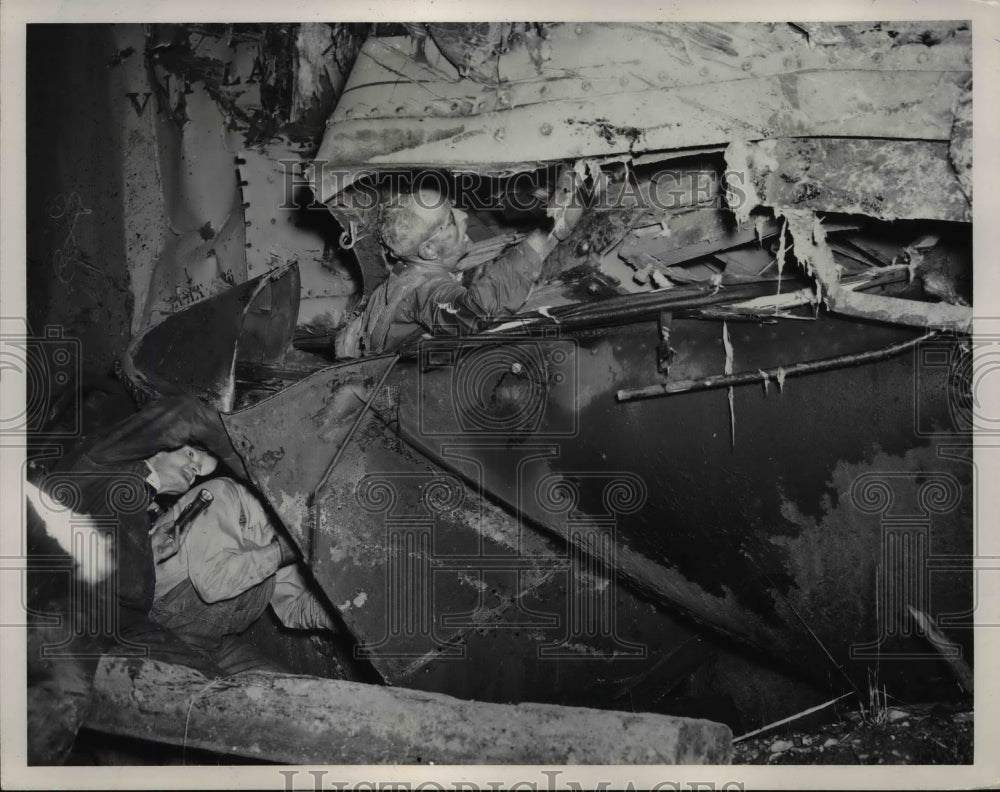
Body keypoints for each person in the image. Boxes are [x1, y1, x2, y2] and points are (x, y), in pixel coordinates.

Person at [26, 395, 248, 764]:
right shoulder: (101, 461)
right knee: (53, 714)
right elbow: (185, 414)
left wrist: (146, 552)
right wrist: (252, 462)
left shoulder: (135, 503)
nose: (196, 468)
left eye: (203, 467)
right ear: (155, 444)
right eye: (191, 454)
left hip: (127, 625)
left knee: (218, 699)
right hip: (65, 605)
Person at [335, 171, 585, 357]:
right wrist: (546, 233)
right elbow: (474, 315)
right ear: (428, 249)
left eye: (453, 208)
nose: (464, 215)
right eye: (451, 220)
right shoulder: (425, 291)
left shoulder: (401, 277)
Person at [150, 477, 336, 675]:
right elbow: (211, 583)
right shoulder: (221, 492)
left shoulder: (281, 532)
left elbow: (294, 606)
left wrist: (338, 617)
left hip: (210, 642)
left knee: (288, 692)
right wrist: (281, 552)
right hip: (162, 623)